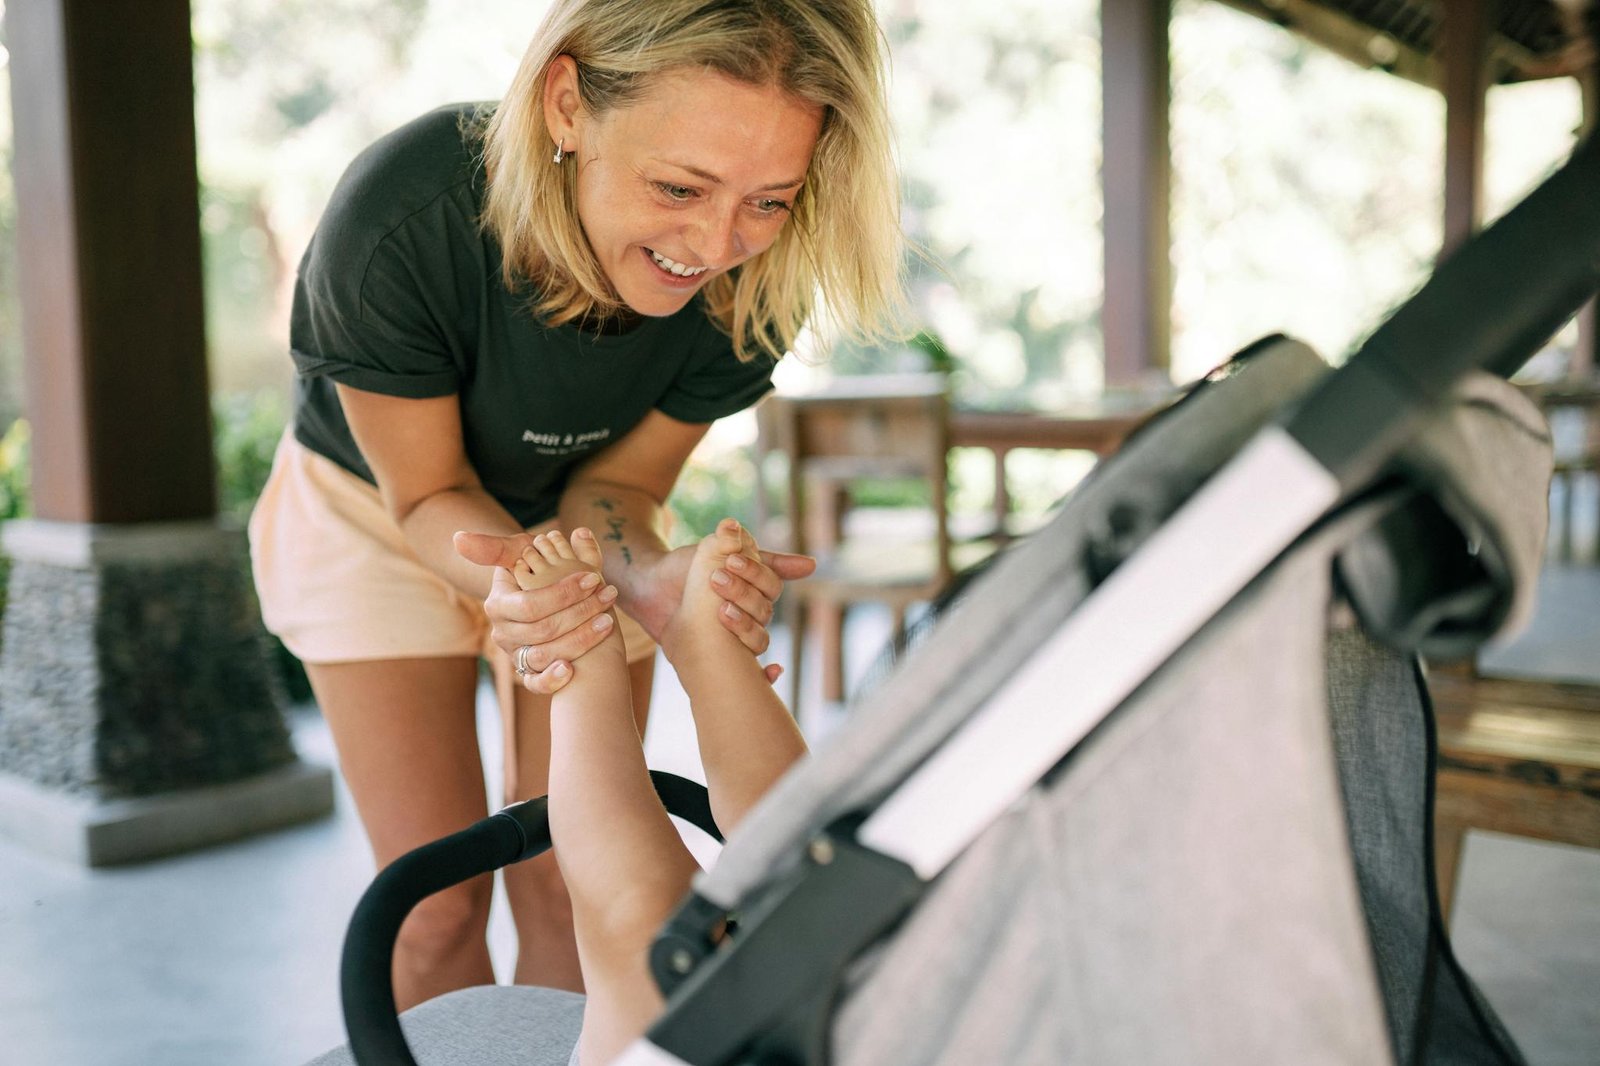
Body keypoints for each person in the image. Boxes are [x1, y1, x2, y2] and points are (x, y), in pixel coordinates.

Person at [247, 0, 904, 1010]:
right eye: (678, 186)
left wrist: (642, 572)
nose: (716, 243)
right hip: (375, 515)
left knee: (568, 878)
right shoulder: (401, 216)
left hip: (570, 521)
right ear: (567, 104)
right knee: (435, 906)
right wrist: (527, 584)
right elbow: (426, 492)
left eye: (768, 200)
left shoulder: (757, 278)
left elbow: (621, 489)